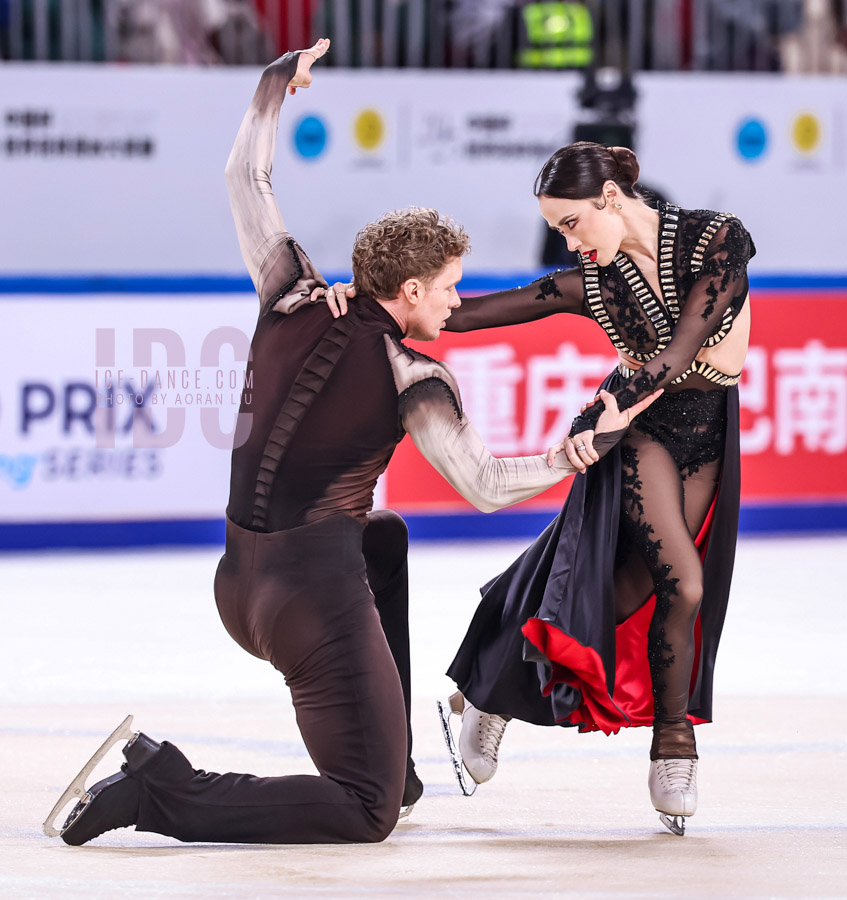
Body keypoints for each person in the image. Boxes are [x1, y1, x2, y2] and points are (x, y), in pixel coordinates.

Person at [43, 43, 657, 848]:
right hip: (308, 606)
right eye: (446, 288)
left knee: (385, 536)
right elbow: (483, 485)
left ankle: (392, 761)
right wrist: (577, 451)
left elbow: (244, 179)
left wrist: (274, 86)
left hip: (238, 584)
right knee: (362, 811)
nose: (455, 301)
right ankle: (162, 790)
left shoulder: (293, 292)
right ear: (408, 292)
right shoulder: (415, 376)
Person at [323, 142, 755, 836]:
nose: (567, 240)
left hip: (696, 425)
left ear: (609, 199)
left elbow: (682, 346)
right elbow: (462, 313)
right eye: (559, 229)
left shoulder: (715, 239)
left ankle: (491, 689)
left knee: (626, 589)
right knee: (687, 584)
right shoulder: (594, 281)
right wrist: (363, 302)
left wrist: (627, 402)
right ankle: (674, 743)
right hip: (633, 431)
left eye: (570, 223)